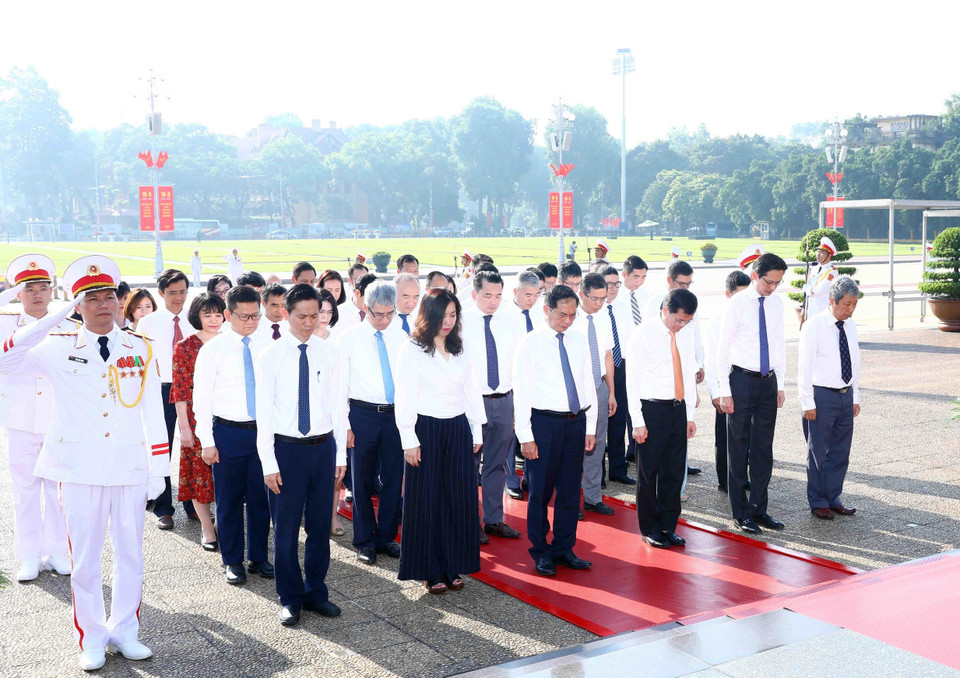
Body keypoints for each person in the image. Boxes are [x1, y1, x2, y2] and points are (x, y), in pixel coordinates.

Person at [0, 255, 168, 671]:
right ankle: (92, 636)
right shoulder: (55, 346)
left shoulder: (140, 348)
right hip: (78, 468)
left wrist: (160, 469)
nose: (103, 304)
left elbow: (152, 410)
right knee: (86, 560)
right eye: (91, 298)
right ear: (76, 305)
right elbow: (6, 360)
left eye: (109, 295)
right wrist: (52, 316)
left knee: (131, 556)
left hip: (129, 467)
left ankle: (125, 631)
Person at [256, 284, 346, 626]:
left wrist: (340, 457)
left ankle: (316, 591)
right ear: (285, 314)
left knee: (320, 526)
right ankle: (290, 597)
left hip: (323, 449)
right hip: (286, 450)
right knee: (286, 529)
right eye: (302, 316)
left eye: (315, 315)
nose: (309, 322)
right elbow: (263, 414)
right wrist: (268, 462)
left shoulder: (330, 353)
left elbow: (339, 405)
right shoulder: (271, 355)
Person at [396, 289, 486, 594]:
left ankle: (452, 564)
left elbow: (472, 389)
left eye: (453, 315)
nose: (448, 322)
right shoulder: (412, 348)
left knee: (458, 499)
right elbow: (405, 395)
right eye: (443, 315)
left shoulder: (461, 347)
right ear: (428, 315)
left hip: (458, 426)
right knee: (427, 500)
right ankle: (429, 568)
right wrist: (409, 439)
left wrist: (476, 429)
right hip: (426, 429)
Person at [0, 255, 77, 582]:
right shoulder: (4, 323)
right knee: (25, 489)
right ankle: (29, 555)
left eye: (44, 287)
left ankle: (57, 550)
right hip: (19, 417)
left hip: (58, 419)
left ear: (52, 290)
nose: (37, 294)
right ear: (18, 292)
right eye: (29, 288)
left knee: (58, 489)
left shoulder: (71, 326)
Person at [513, 285, 597, 577]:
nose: (567, 321)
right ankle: (540, 550)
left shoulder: (578, 340)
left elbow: (587, 382)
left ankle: (564, 547)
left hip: (576, 422)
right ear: (546, 310)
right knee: (540, 492)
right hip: (544, 424)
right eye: (562, 314)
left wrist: (591, 424)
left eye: (573, 315)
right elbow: (521, 392)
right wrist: (525, 436)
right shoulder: (530, 343)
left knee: (570, 490)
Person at [193, 285, 273, 584]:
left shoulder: (268, 344)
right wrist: (207, 441)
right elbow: (201, 399)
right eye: (244, 316)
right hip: (228, 432)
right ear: (228, 315)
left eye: (256, 316)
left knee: (261, 498)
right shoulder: (213, 349)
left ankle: (259, 557)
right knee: (227, 500)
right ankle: (232, 560)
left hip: (263, 433)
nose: (251, 322)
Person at [717, 253, 789, 534]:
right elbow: (723, 348)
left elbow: (778, 343)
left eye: (778, 283)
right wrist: (724, 390)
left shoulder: (777, 304)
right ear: (755, 276)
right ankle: (740, 512)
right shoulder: (736, 304)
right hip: (741, 381)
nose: (773, 288)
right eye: (769, 282)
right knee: (738, 447)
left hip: (767, 382)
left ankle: (760, 509)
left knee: (763, 448)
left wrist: (780, 383)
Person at [338, 281, 407, 564]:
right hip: (361, 414)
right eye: (378, 314)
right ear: (366, 308)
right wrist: (345, 425)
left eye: (390, 313)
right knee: (362, 480)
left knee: (393, 478)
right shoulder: (348, 338)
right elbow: (339, 386)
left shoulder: (401, 336)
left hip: (395, 414)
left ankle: (387, 536)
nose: (384, 320)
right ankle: (365, 539)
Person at [627, 289, 699, 549]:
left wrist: (690, 414)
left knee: (674, 470)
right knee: (649, 473)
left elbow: (688, 371)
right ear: (665, 310)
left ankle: (669, 525)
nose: (681, 326)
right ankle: (650, 528)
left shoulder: (686, 333)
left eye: (687, 321)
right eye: (678, 320)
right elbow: (632, 380)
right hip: (651, 410)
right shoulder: (643, 334)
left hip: (677, 408)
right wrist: (637, 420)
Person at [462, 270, 523, 543]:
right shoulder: (461, 322)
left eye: (498, 295)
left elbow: (520, 364)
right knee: (468, 466)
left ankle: (494, 519)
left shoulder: (512, 321)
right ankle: (468, 522)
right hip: (472, 402)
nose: (493, 301)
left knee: (497, 464)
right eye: (487, 295)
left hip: (503, 399)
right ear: (475, 294)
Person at [136, 269, 197, 529]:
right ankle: (163, 506)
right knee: (161, 447)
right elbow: (141, 359)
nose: (179, 297)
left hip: (192, 390)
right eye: (172, 293)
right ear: (161, 293)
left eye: (183, 291)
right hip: (161, 390)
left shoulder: (195, 318)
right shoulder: (149, 322)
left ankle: (194, 504)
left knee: (192, 448)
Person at [799, 276, 861, 520]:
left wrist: (856, 396)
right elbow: (804, 366)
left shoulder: (851, 326)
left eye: (855, 304)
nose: (851, 309)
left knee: (840, 451)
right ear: (832, 300)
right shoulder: (814, 325)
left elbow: (855, 362)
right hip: (821, 396)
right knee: (818, 453)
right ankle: (818, 501)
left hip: (845, 396)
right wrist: (807, 402)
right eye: (847, 304)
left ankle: (833, 497)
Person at [170, 293, 224, 552]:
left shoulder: (231, 342)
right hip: (194, 416)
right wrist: (185, 429)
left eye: (218, 314)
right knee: (198, 475)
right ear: (197, 317)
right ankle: (206, 526)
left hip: (227, 416)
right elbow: (180, 391)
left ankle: (226, 523)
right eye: (207, 314)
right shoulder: (185, 347)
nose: (213, 320)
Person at [644, 260, 706, 485]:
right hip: (658, 384)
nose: (686, 288)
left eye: (689, 283)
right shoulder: (654, 303)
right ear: (669, 280)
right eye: (682, 283)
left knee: (682, 433)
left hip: (682, 377)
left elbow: (695, 337)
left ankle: (678, 484)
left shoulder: (690, 304)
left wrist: (699, 364)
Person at [571, 273, 617, 517]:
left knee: (597, 443)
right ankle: (570, 499)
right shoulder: (569, 318)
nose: (599, 303)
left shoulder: (603, 317)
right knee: (575, 445)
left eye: (603, 298)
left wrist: (611, 392)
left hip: (599, 387)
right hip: (576, 389)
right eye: (594, 299)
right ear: (582, 293)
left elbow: (608, 356)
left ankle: (592, 497)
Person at [704, 270, 751, 492]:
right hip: (726, 386)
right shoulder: (717, 320)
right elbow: (712, 358)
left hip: (746, 384)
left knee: (744, 437)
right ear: (727, 294)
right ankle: (726, 481)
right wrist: (716, 393)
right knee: (724, 438)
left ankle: (740, 477)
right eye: (738, 295)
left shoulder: (751, 315)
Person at [503, 269, 545, 499]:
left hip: (536, 384)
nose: (532, 299)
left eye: (536, 294)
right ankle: (511, 480)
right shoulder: (504, 316)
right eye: (527, 294)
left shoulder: (540, 314)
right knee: (510, 436)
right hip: (511, 383)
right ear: (515, 291)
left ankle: (531, 476)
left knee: (532, 433)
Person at [616, 255, 649, 470]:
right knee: (622, 407)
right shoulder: (615, 299)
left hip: (643, 359)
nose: (639, 281)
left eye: (643, 277)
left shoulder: (646, 297)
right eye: (636, 276)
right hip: (621, 361)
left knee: (639, 405)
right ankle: (621, 453)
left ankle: (635, 449)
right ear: (625, 274)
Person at [803, 237, 839, 321]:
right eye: (818, 252)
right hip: (811, 309)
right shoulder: (813, 269)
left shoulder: (831, 272)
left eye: (822, 253)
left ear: (829, 255)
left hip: (821, 309)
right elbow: (807, 286)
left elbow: (821, 289)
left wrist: (808, 290)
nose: (818, 255)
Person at [331, 272, 376, 338]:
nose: (375, 303)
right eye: (371, 299)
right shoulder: (338, 313)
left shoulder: (380, 314)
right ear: (357, 293)